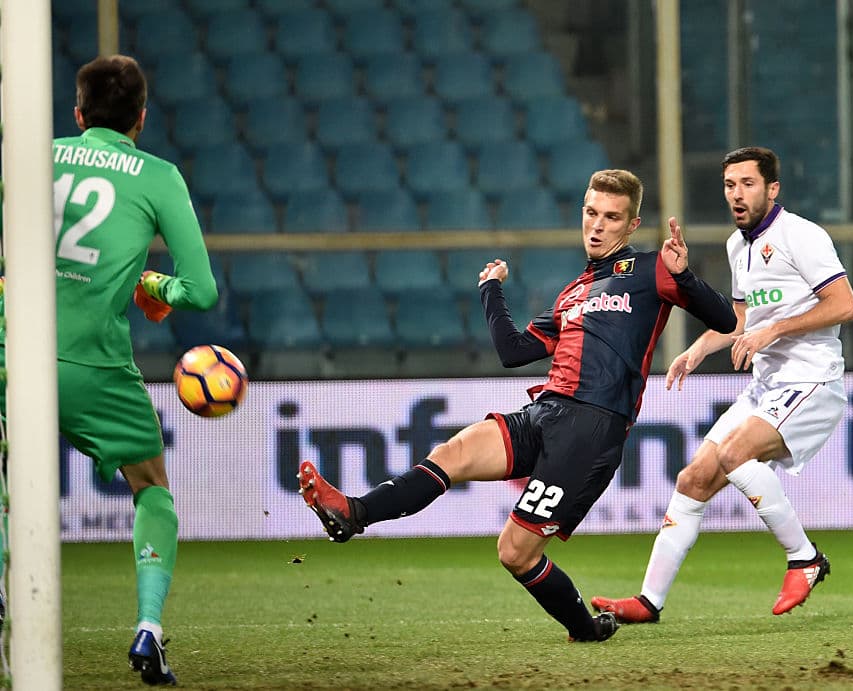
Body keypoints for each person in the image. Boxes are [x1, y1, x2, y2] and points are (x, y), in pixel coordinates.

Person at [299, 169, 737, 642]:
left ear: (630, 226)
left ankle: (585, 630)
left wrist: (686, 277)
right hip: (545, 411)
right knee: (454, 452)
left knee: (515, 552)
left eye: (611, 217)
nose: (597, 225)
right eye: (591, 213)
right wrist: (491, 290)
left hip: (590, 428)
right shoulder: (572, 292)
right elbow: (513, 352)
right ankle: (352, 513)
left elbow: (726, 318)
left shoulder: (652, 271)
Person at [1, 55, 218, 685]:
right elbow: (200, 291)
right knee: (152, 488)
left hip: (13, 347)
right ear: (142, 119)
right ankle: (148, 629)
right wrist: (155, 285)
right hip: (92, 364)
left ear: (76, 114)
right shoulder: (158, 176)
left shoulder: (35, 155)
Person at [590, 146, 853, 624]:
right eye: (730, 185)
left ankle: (805, 558)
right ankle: (648, 601)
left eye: (748, 184)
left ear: (772, 189)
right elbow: (740, 319)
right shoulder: (739, 246)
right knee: (693, 479)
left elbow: (844, 305)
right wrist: (698, 349)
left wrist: (773, 330)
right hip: (766, 384)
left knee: (736, 455)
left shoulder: (802, 236)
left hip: (812, 379)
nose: (737, 194)